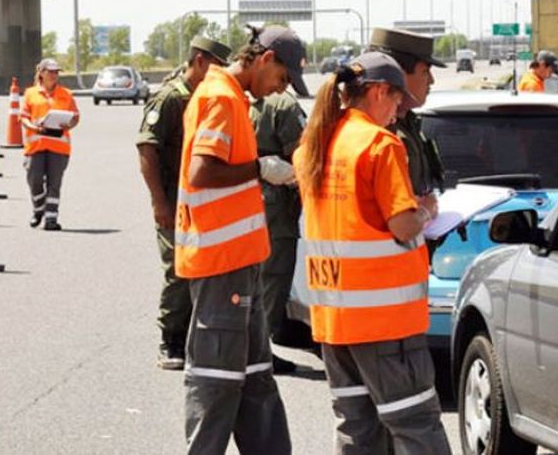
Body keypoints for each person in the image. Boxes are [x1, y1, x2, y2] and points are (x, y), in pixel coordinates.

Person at [293, 52, 452, 455]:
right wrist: (427, 210)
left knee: (357, 429)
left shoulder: (316, 144)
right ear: (380, 91)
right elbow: (402, 225)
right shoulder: (379, 144)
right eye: (397, 100)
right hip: (384, 323)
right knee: (416, 425)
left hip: (334, 321)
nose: (398, 112)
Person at [175, 25, 303, 455]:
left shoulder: (231, 97)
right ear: (264, 60)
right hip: (221, 263)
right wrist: (261, 168)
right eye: (282, 78)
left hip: (237, 262)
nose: (280, 89)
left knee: (255, 378)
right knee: (217, 381)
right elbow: (202, 172)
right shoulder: (222, 99)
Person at [136, 35, 232, 371]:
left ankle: (196, 337)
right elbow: (147, 150)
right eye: (217, 66)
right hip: (173, 201)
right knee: (179, 270)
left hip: (201, 202)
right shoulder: (170, 98)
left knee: (203, 269)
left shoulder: (208, 97)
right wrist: (159, 202)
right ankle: (171, 338)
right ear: (200, 61)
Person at [249, 89, 306, 375]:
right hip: (278, 200)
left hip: (252, 194)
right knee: (275, 277)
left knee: (258, 276)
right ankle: (258, 351)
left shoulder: (247, 99)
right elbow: (299, 154)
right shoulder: (284, 103)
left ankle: (254, 346)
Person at [369, 28, 445, 198]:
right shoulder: (379, 136)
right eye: (425, 72)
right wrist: (423, 209)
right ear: (398, 76)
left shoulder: (409, 124)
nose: (431, 80)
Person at [20, 58, 80, 231]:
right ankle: (39, 209)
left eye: (56, 72)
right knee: (35, 181)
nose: (54, 75)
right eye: (51, 72)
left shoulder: (66, 94)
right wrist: (33, 127)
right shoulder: (30, 93)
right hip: (36, 146)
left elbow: (75, 116)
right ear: (41, 73)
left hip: (59, 147)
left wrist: (69, 124)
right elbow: (23, 117)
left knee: (54, 184)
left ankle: (51, 219)